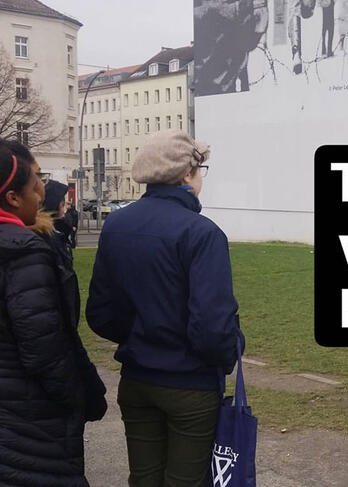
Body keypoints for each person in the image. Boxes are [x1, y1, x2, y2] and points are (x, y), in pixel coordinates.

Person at [86, 130, 244, 486]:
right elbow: (213, 326)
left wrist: (141, 334)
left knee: (143, 479)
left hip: (137, 379)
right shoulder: (202, 233)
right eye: (200, 170)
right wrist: (223, 356)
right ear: (187, 175)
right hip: (189, 384)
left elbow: (100, 312)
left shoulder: (116, 225)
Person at [0, 141, 106, 487]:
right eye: (35, 184)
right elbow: (46, 351)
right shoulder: (24, 252)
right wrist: (78, 397)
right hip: (29, 421)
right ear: (13, 198)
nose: (42, 191)